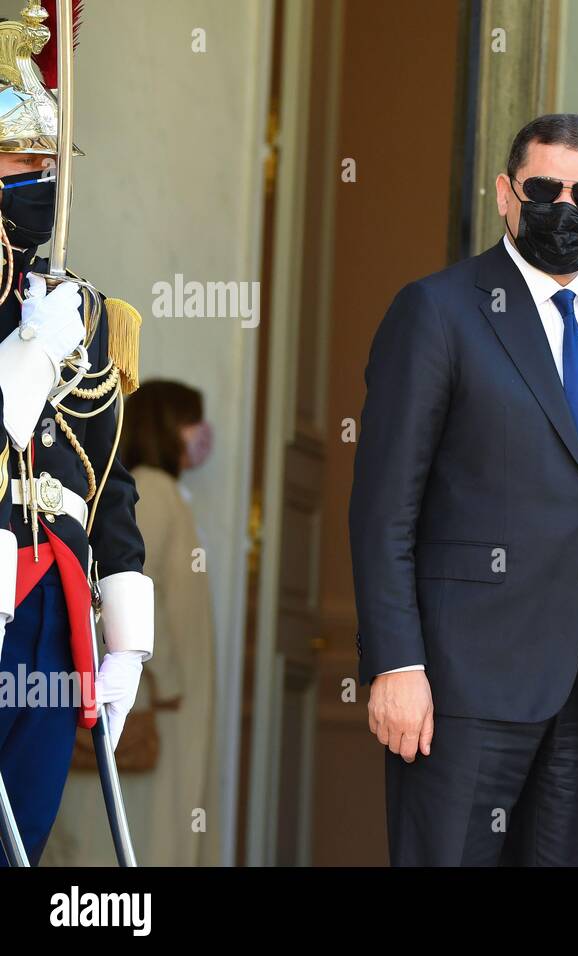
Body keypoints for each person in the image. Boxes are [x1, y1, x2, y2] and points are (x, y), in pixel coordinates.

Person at [350, 113, 578, 866]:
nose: (566, 209)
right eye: (544, 189)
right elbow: (384, 508)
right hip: (456, 687)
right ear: (504, 193)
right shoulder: (436, 310)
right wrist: (396, 664)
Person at [0, 2, 152, 866]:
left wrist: (128, 636)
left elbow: (107, 479)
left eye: (42, 161)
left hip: (53, 615)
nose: (35, 177)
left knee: (27, 827)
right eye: (16, 161)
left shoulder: (86, 313)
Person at [46, 381, 216, 866]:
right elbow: (133, 584)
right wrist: (171, 684)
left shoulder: (162, 491)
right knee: (142, 831)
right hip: (157, 699)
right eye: (189, 422)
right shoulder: (156, 491)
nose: (199, 436)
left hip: (163, 697)